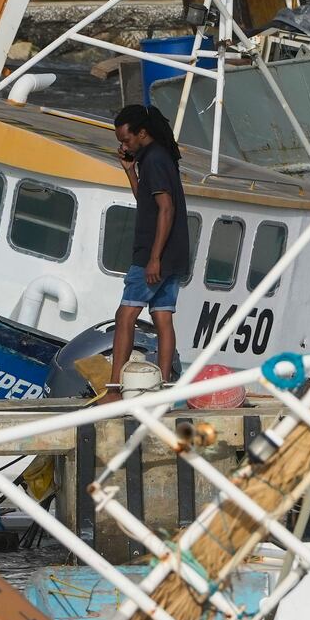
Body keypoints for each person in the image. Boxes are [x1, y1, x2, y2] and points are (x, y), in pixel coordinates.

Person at [107, 103, 189, 398]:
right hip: (176, 254)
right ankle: (164, 386)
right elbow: (148, 202)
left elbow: (165, 209)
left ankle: (115, 388)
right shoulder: (159, 158)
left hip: (154, 255)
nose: (124, 145)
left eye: (127, 140)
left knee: (125, 315)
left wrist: (154, 258)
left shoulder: (153, 159)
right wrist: (130, 171)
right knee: (163, 318)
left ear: (142, 133)